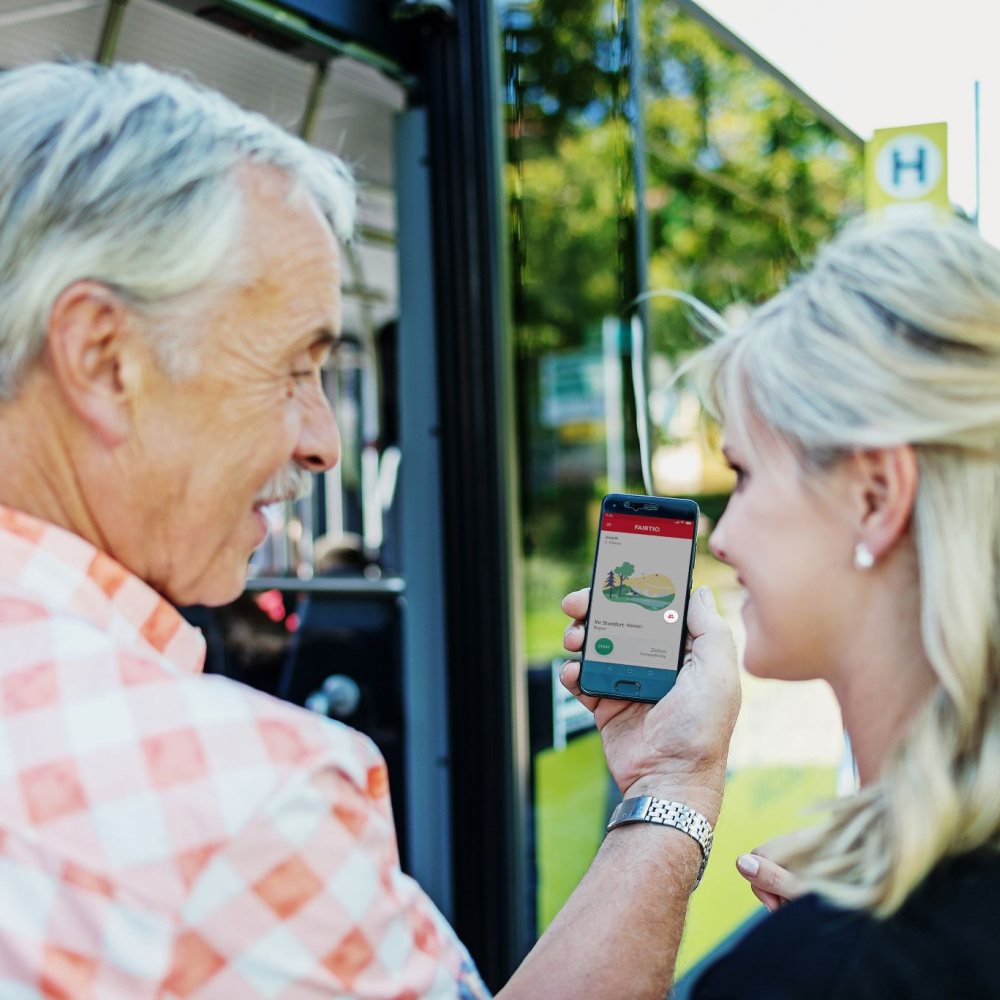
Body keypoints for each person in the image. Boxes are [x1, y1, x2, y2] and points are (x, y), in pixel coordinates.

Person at [0, 61, 741, 999]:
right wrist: (675, 785)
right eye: (292, 368)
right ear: (103, 358)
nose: (324, 443)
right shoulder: (245, 798)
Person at [562, 214, 1000, 997]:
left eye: (744, 474)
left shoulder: (829, 971)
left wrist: (820, 960)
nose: (722, 536)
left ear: (876, 496)